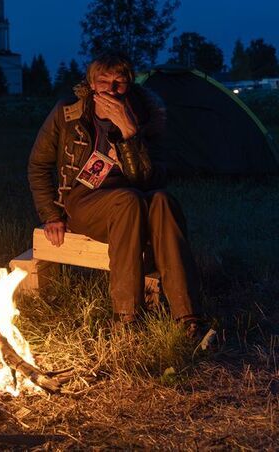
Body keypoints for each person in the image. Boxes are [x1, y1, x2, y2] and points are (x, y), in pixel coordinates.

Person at [27, 52, 202, 336]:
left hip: (136, 193)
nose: (110, 89)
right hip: (85, 198)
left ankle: (188, 316)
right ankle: (127, 316)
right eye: (103, 81)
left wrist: (129, 132)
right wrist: (51, 215)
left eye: (119, 82)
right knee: (128, 201)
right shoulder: (68, 112)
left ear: (129, 85)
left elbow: (151, 179)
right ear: (92, 84)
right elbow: (38, 164)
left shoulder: (148, 116)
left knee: (163, 201)